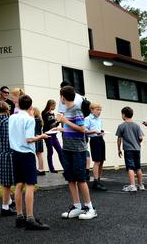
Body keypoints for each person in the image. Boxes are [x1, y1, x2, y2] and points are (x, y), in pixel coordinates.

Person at [8, 94, 50, 230]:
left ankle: (20, 217)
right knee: (30, 185)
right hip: (26, 154)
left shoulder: (12, 117)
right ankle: (30, 218)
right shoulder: (30, 119)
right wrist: (42, 136)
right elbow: (29, 139)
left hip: (15, 153)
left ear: (18, 104)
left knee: (19, 184)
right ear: (31, 106)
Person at [56, 86, 97, 220]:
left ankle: (90, 208)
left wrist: (65, 121)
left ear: (63, 97)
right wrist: (61, 129)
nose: (59, 98)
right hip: (67, 148)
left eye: (60, 96)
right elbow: (71, 127)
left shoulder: (76, 109)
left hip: (78, 150)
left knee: (81, 179)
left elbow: (82, 129)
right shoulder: (66, 110)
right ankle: (77, 207)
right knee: (70, 179)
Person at [116, 106, 144, 192]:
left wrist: (119, 149)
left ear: (124, 115)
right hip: (137, 149)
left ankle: (132, 185)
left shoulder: (121, 126)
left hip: (128, 149)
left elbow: (119, 139)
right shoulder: (137, 125)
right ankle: (141, 185)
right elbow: (141, 138)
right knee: (138, 167)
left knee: (130, 167)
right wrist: (137, 142)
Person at [85, 102, 107, 191]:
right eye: (97, 110)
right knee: (97, 161)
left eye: (100, 110)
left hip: (101, 139)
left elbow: (100, 129)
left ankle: (98, 179)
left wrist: (102, 132)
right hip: (94, 140)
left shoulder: (99, 119)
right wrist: (93, 132)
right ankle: (95, 182)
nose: (99, 112)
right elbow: (85, 131)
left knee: (102, 161)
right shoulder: (87, 119)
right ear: (91, 110)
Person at [41, 100, 63, 173]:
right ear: (50, 105)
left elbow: (54, 125)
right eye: (54, 105)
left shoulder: (53, 114)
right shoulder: (44, 113)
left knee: (60, 150)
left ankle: (65, 167)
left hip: (53, 134)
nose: (55, 107)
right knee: (50, 151)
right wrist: (55, 119)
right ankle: (51, 168)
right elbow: (47, 124)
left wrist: (58, 121)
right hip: (47, 134)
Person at [32, 107, 46, 176]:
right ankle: (41, 168)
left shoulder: (35, 120)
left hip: (36, 138)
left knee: (37, 154)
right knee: (39, 154)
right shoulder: (40, 120)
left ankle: (40, 169)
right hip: (40, 138)